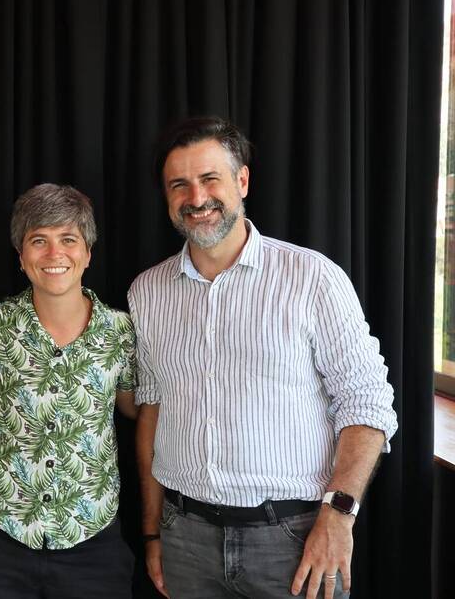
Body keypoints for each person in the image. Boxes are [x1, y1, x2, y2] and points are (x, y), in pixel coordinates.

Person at [129, 116, 398, 599]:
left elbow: (368, 405)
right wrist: (152, 533)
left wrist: (338, 518)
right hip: (185, 538)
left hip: (294, 538)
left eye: (210, 178)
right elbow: (152, 411)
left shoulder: (312, 278)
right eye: (180, 184)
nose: (197, 198)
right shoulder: (146, 293)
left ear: (242, 180)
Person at [0, 183, 138, 599]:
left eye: (68, 240)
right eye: (39, 241)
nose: (54, 254)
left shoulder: (120, 330)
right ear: (21, 257)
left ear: (87, 253)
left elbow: (134, 409)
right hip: (0, 541)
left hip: (93, 541)